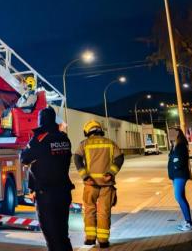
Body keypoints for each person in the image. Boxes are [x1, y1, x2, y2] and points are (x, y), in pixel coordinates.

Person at [20, 106, 74, 251]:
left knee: (52, 236)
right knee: (63, 234)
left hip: (47, 194)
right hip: (63, 192)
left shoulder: (39, 139)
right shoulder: (64, 138)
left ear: (41, 121)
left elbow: (24, 158)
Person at [74, 120, 123, 248]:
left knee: (89, 210)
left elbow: (77, 158)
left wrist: (85, 176)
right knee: (104, 212)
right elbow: (119, 158)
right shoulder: (110, 143)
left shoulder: (84, 144)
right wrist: (111, 173)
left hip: (90, 184)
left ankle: (90, 239)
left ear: (87, 131)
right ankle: (103, 241)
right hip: (107, 185)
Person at [168, 128, 192, 231]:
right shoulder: (174, 146)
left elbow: (179, 161)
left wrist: (175, 164)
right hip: (175, 175)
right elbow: (173, 159)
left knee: (179, 197)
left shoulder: (181, 145)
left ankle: (189, 222)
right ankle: (188, 221)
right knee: (181, 197)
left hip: (180, 175)